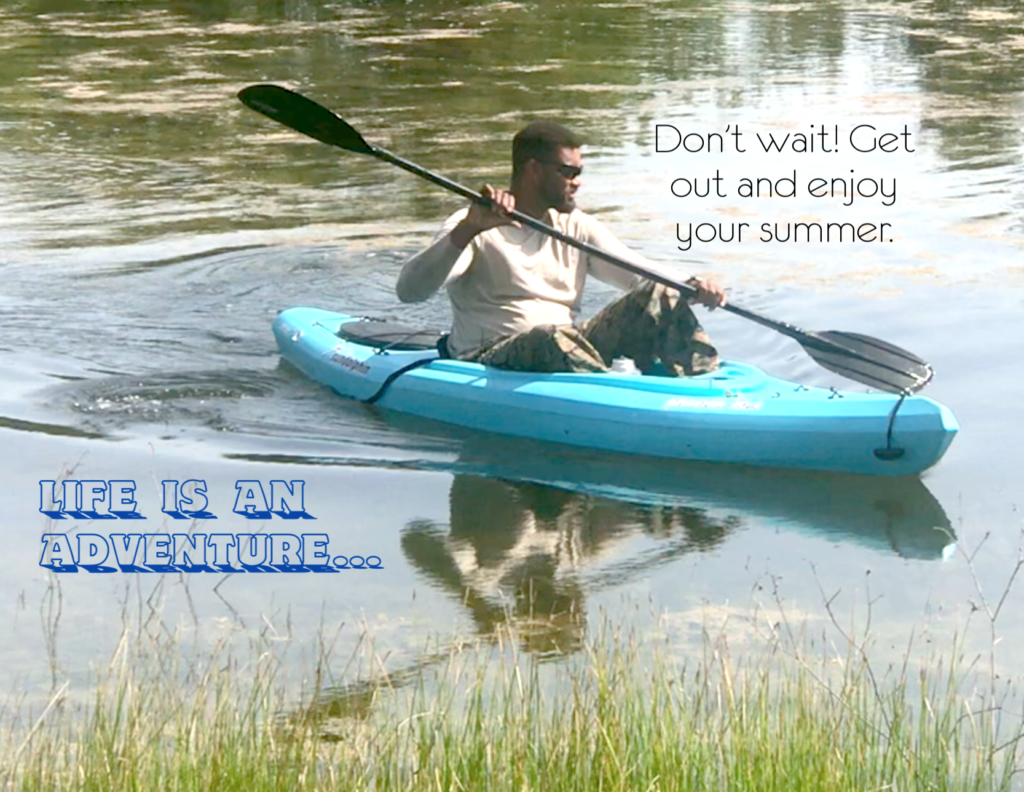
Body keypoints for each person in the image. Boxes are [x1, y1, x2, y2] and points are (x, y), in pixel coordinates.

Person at [395, 120, 726, 375]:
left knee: (661, 294)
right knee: (549, 336)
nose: (578, 181)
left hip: (568, 347)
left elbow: (634, 271)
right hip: (487, 356)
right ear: (534, 170)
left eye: (579, 172)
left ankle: (702, 385)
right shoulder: (474, 224)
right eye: (569, 172)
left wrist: (691, 285)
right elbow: (410, 291)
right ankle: (608, 395)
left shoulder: (576, 225)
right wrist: (468, 230)